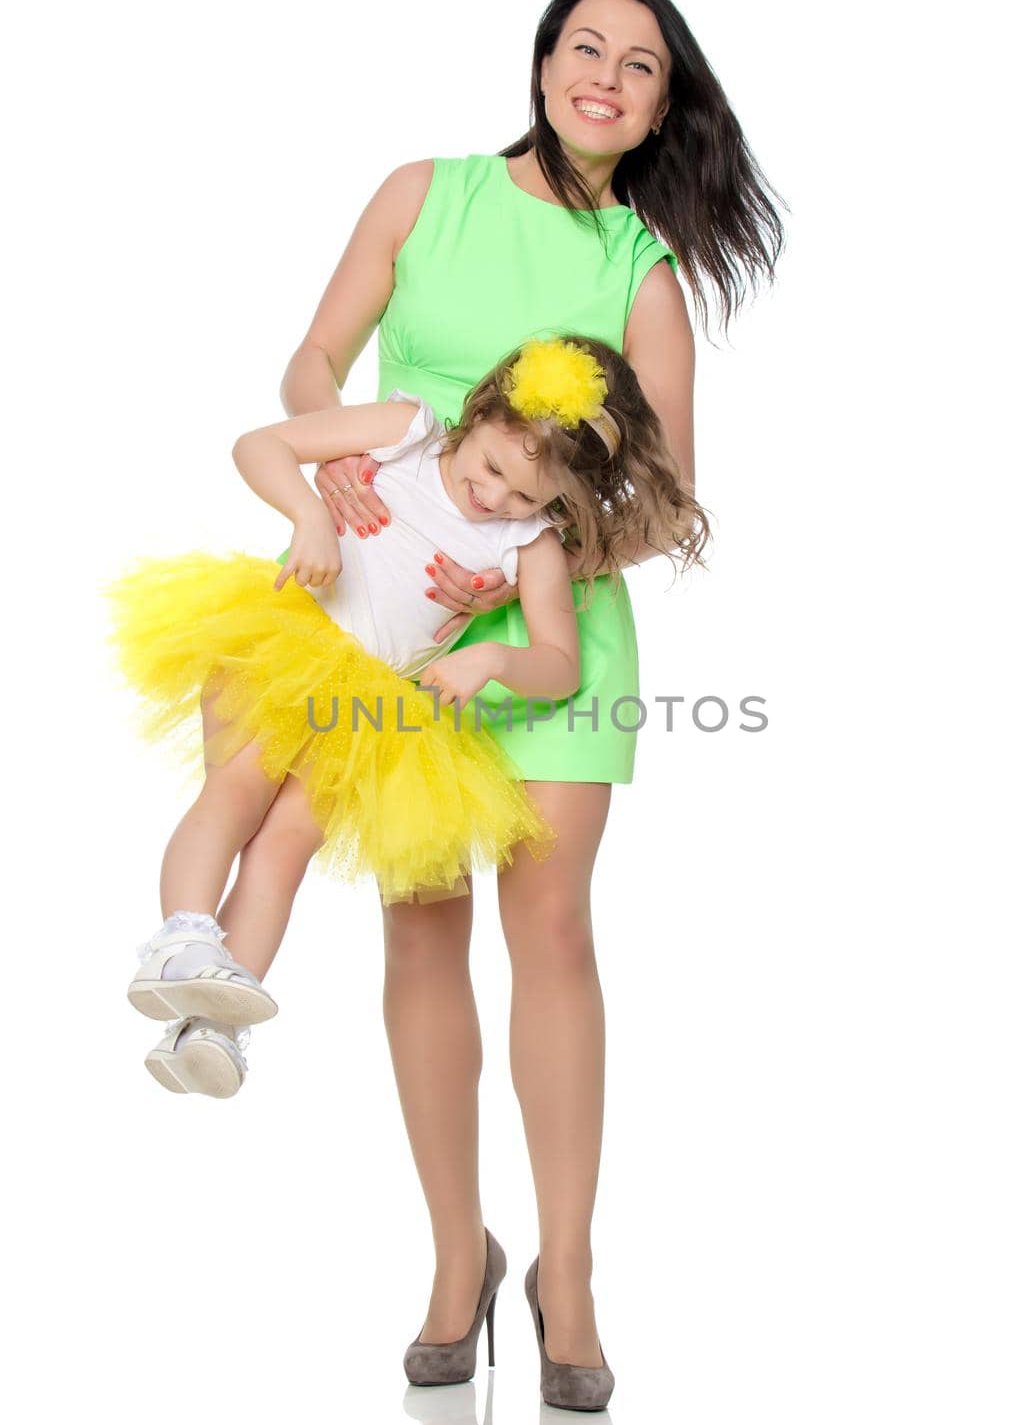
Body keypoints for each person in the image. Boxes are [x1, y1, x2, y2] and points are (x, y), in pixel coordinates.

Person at [219, 0, 782, 1407]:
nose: (604, 76)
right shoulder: (426, 192)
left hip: (550, 636)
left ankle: (569, 1273)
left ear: (662, 105)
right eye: (582, 47)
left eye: (639, 65)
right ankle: (452, 1262)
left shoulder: (641, 272)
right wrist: (331, 463)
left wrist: (540, 550)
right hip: (392, 616)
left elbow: (668, 498)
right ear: (540, 66)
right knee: (419, 928)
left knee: (550, 931)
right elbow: (310, 357)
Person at [107, 335, 709, 1102]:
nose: (495, 500)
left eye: (526, 497)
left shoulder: (531, 546)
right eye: (492, 469)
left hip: (366, 706)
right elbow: (260, 445)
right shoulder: (406, 431)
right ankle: (182, 937)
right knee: (240, 790)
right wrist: (308, 515)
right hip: (283, 642)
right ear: (480, 412)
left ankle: (209, 1024)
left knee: (288, 843)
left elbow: (560, 666)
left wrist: (492, 661)